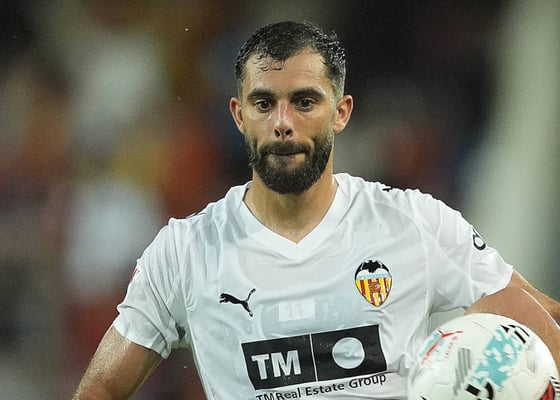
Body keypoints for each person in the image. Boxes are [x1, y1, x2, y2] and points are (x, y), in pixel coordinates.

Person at [72, 20, 560, 400]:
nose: (283, 122)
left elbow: (532, 313)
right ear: (239, 115)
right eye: (264, 104)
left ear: (341, 112)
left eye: (304, 102)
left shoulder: (413, 222)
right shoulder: (185, 251)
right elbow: (100, 390)